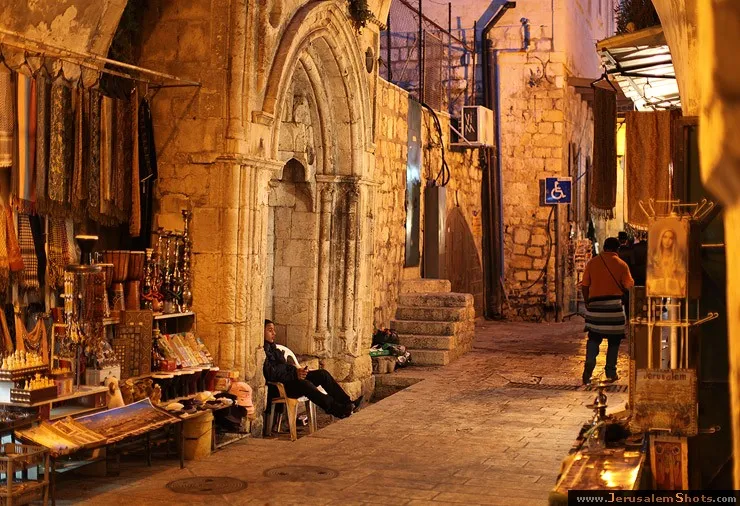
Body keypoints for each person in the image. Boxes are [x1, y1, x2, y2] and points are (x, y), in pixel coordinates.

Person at [263, 319, 361, 420]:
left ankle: (348, 403)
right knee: (305, 384)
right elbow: (270, 374)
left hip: (291, 378)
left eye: (274, 330)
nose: (274, 333)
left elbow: (285, 366)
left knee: (322, 374)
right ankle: (338, 409)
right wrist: (294, 374)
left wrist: (299, 371)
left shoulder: (273, 348)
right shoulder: (262, 352)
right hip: (280, 386)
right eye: (270, 330)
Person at [580, 237, 635, 385]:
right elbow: (629, 286)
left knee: (593, 338)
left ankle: (589, 364)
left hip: (595, 310)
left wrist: (587, 302)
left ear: (604, 247)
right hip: (614, 310)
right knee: (614, 342)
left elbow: (584, 285)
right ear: (617, 249)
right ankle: (611, 372)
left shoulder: (592, 263)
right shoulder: (622, 265)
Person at [647, 228, 686, 297]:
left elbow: (682, 277)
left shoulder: (678, 258)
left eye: (671, 238)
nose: (667, 241)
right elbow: (649, 276)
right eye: (665, 237)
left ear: (674, 241)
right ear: (661, 239)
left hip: (674, 293)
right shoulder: (654, 257)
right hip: (656, 292)